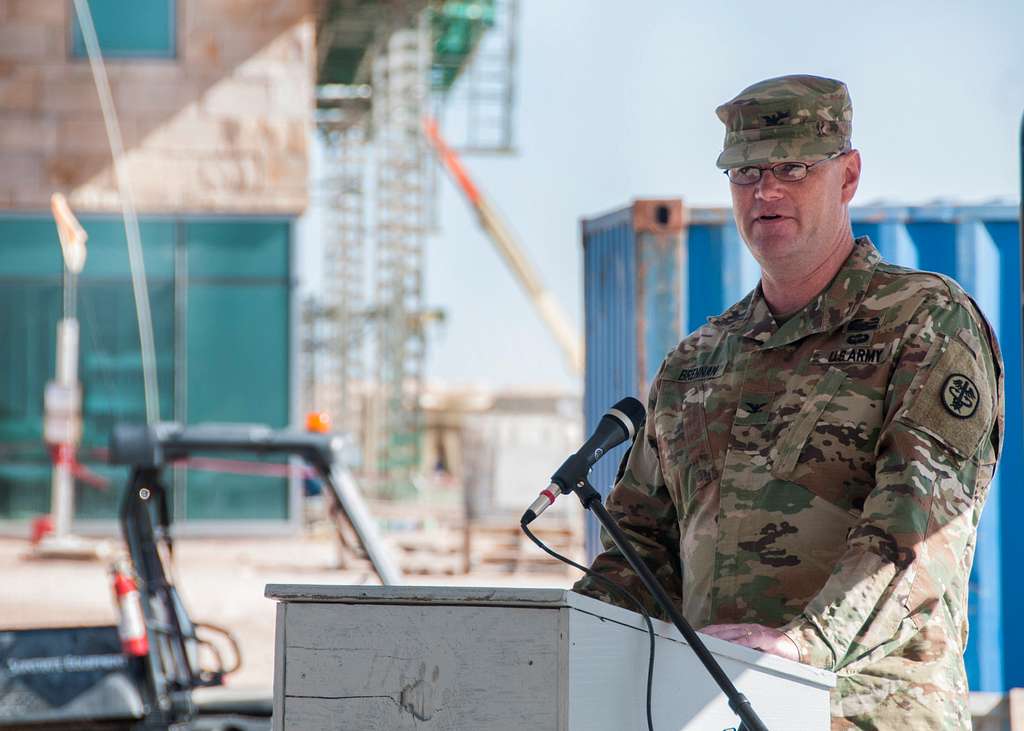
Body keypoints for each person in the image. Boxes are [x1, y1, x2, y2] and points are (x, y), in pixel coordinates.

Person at [572, 74, 1004, 730]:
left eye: (793, 167)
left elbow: (912, 533)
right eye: (745, 171)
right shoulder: (695, 363)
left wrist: (802, 647)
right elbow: (637, 554)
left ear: (848, 175)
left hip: (864, 713)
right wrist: (553, 648)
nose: (765, 191)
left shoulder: (923, 322)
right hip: (714, 714)